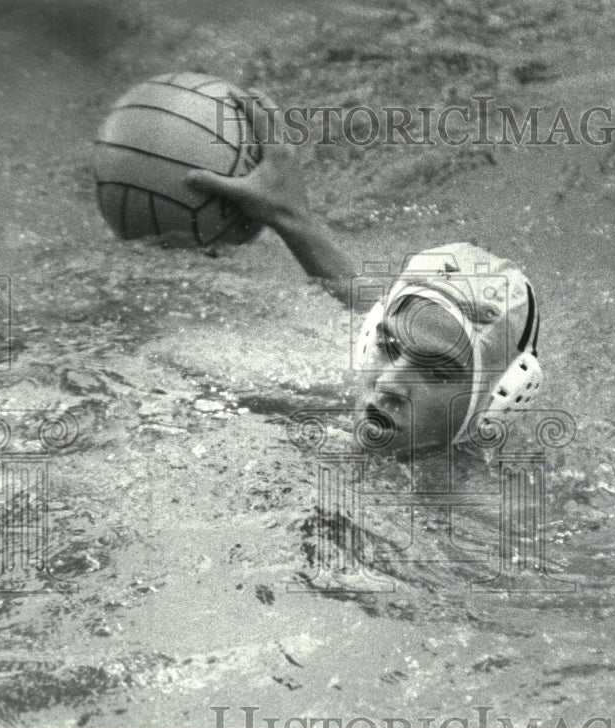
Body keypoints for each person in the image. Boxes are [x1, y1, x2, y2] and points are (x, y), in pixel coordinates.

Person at [185, 93, 542, 456]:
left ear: (496, 403)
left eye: (435, 372)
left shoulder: (492, 506)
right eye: (388, 346)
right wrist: (289, 218)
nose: (388, 384)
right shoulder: (310, 400)